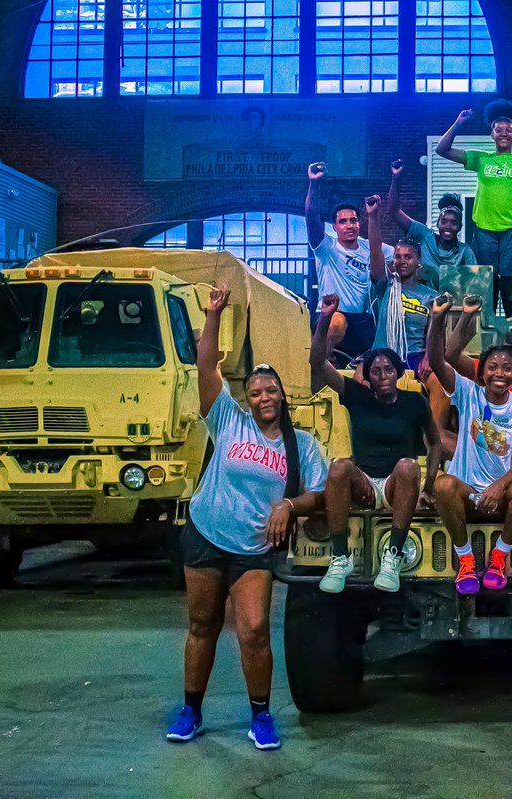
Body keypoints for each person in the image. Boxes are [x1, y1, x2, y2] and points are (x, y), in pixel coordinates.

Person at [167, 285, 328, 751]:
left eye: (271, 389)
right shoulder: (227, 419)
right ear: (248, 398)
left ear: (282, 394)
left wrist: (288, 506)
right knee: (202, 626)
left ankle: (260, 715)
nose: (263, 397)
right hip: (206, 534)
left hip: (253, 549)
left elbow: (317, 494)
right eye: (256, 391)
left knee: (254, 629)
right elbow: (205, 366)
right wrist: (213, 314)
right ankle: (191, 711)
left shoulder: (302, 446)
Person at [311, 294, 439, 594]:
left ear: (398, 372)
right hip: (365, 484)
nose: (382, 376)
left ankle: (392, 557)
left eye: (388, 369)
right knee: (340, 466)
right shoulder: (356, 395)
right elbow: (317, 363)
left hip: (399, 487)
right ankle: (340, 558)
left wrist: (430, 485)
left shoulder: (414, 402)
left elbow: (434, 444)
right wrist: (325, 318)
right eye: (375, 371)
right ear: (367, 375)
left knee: (408, 466)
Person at [427, 293, 512, 594]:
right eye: (492, 367)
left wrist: (499, 487)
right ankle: (466, 561)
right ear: (482, 372)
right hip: (466, 493)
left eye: (506, 368)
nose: (498, 374)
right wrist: (439, 317)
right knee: (443, 485)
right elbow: (438, 360)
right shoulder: (468, 393)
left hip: (499, 496)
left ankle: (499, 557)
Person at [435, 100, 512, 318]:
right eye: (498, 129)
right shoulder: (481, 158)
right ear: (491, 133)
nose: (503, 133)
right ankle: (485, 341)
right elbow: (441, 149)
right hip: (484, 231)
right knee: (485, 286)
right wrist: (457, 123)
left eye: (508, 129)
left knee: (511, 290)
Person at [427, 293, 512, 460]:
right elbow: (451, 355)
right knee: (437, 437)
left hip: (508, 451)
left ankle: (502, 471)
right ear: (510, 352)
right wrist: (467, 315)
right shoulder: (489, 371)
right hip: (474, 446)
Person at [305, 162, 393, 358]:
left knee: (381, 350)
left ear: (359, 223)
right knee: (337, 324)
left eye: (353, 220)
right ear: (334, 227)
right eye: (342, 222)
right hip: (330, 314)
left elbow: (399, 256)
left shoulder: (368, 247)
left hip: (361, 318)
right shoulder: (326, 248)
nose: (349, 225)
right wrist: (314, 184)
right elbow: (311, 217)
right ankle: (322, 364)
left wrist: (374, 216)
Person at [363, 197, 438, 372]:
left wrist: (428, 357)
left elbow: (433, 334)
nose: (402, 261)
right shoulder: (386, 286)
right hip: (384, 355)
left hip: (415, 358)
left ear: (418, 260)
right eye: (398, 257)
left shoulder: (430, 295)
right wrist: (373, 216)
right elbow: (375, 250)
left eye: (408, 257)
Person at [388, 158, 477, 289]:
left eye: (454, 223)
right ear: (437, 223)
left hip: (451, 305)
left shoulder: (465, 251)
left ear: (460, 226)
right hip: (423, 304)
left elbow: (475, 283)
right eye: (444, 221)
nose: (448, 226)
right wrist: (396, 177)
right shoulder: (425, 236)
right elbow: (394, 212)